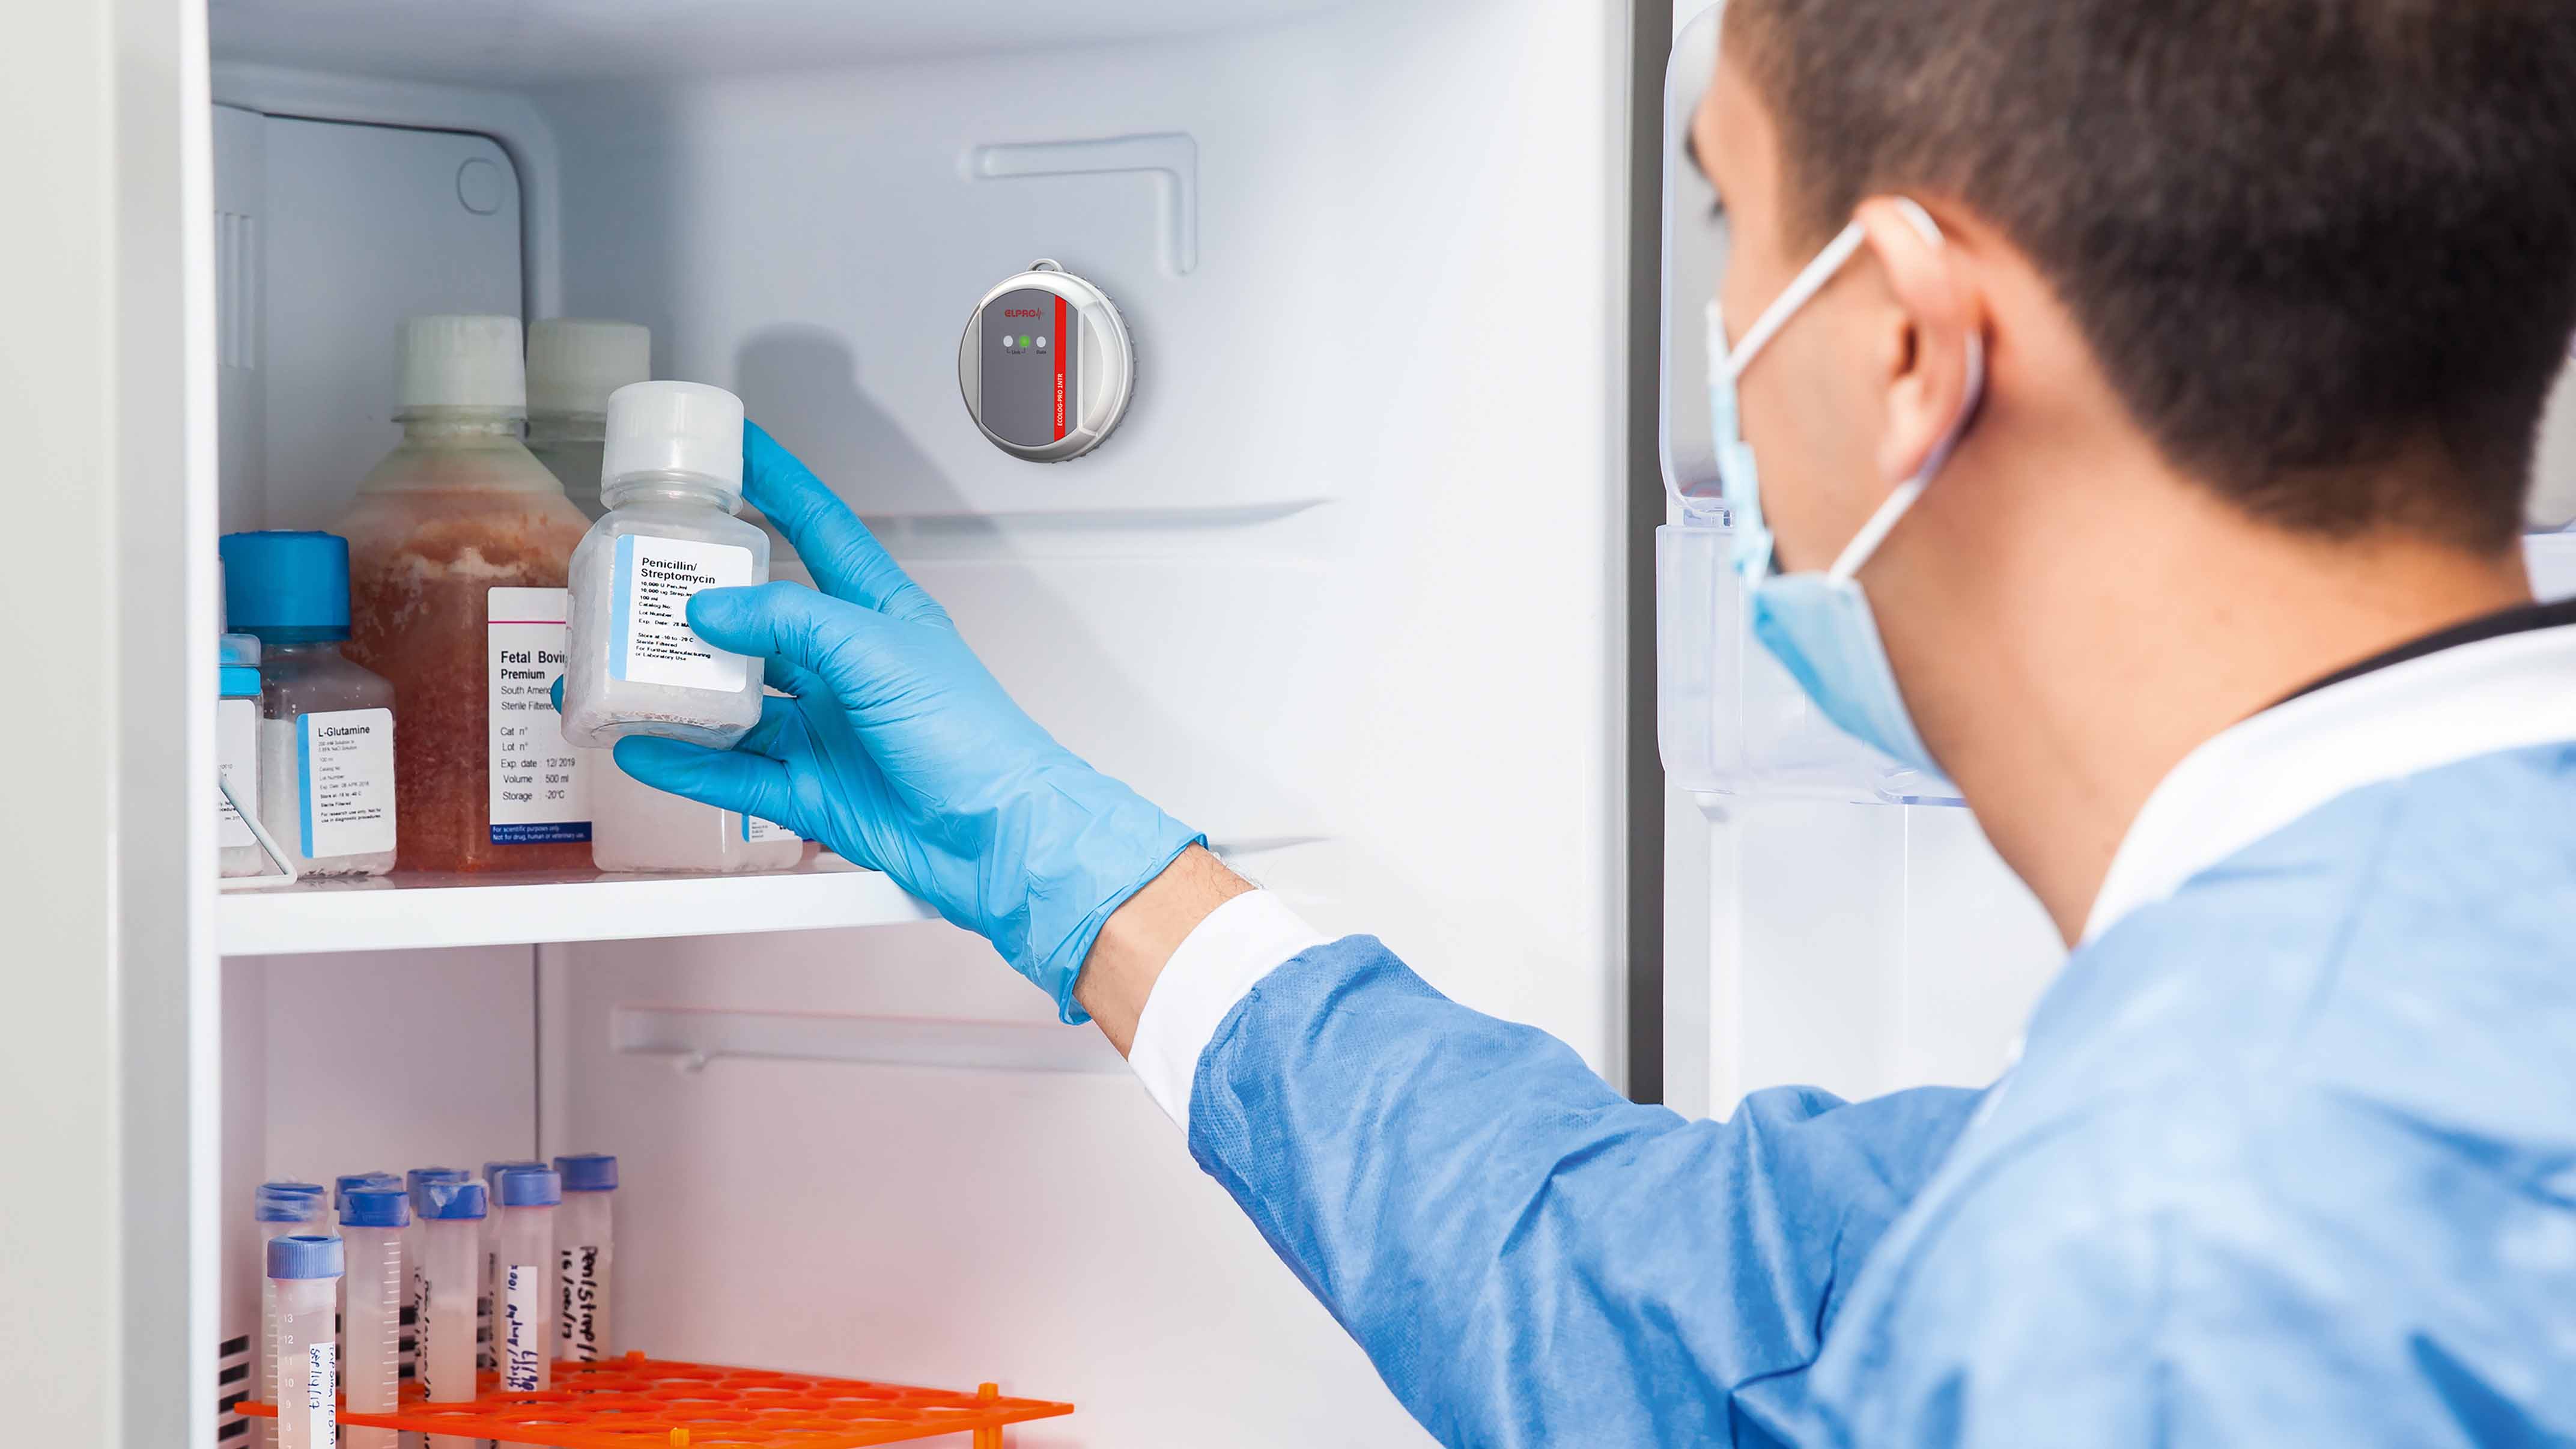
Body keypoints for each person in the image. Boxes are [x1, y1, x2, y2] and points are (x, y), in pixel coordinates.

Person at [596, 0, 2576, 1441]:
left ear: (1903, 339)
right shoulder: (2337, 1049)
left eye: (1728, 223)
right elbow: (1699, 1304)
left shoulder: (2174, 1257)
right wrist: (1086, 873)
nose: (1723, 343)